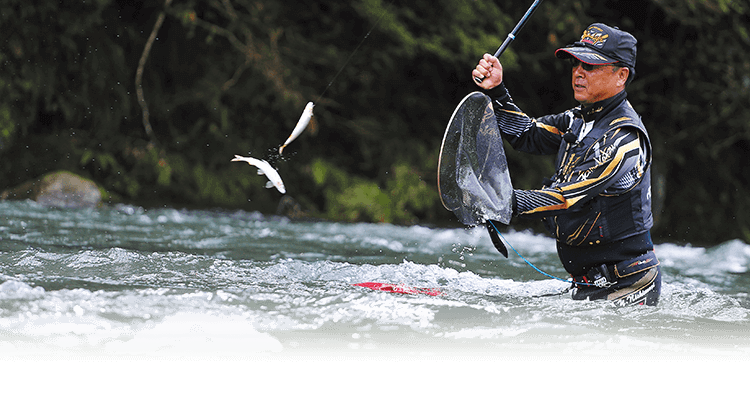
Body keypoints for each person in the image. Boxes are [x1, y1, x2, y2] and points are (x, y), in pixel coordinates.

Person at [472, 23, 662, 306]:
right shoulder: (579, 119)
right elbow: (527, 135)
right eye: (576, 63)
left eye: (591, 66)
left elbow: (566, 198)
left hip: (629, 285)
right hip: (590, 283)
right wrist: (497, 91)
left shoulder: (625, 138)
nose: (578, 72)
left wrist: (505, 201)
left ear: (621, 76)